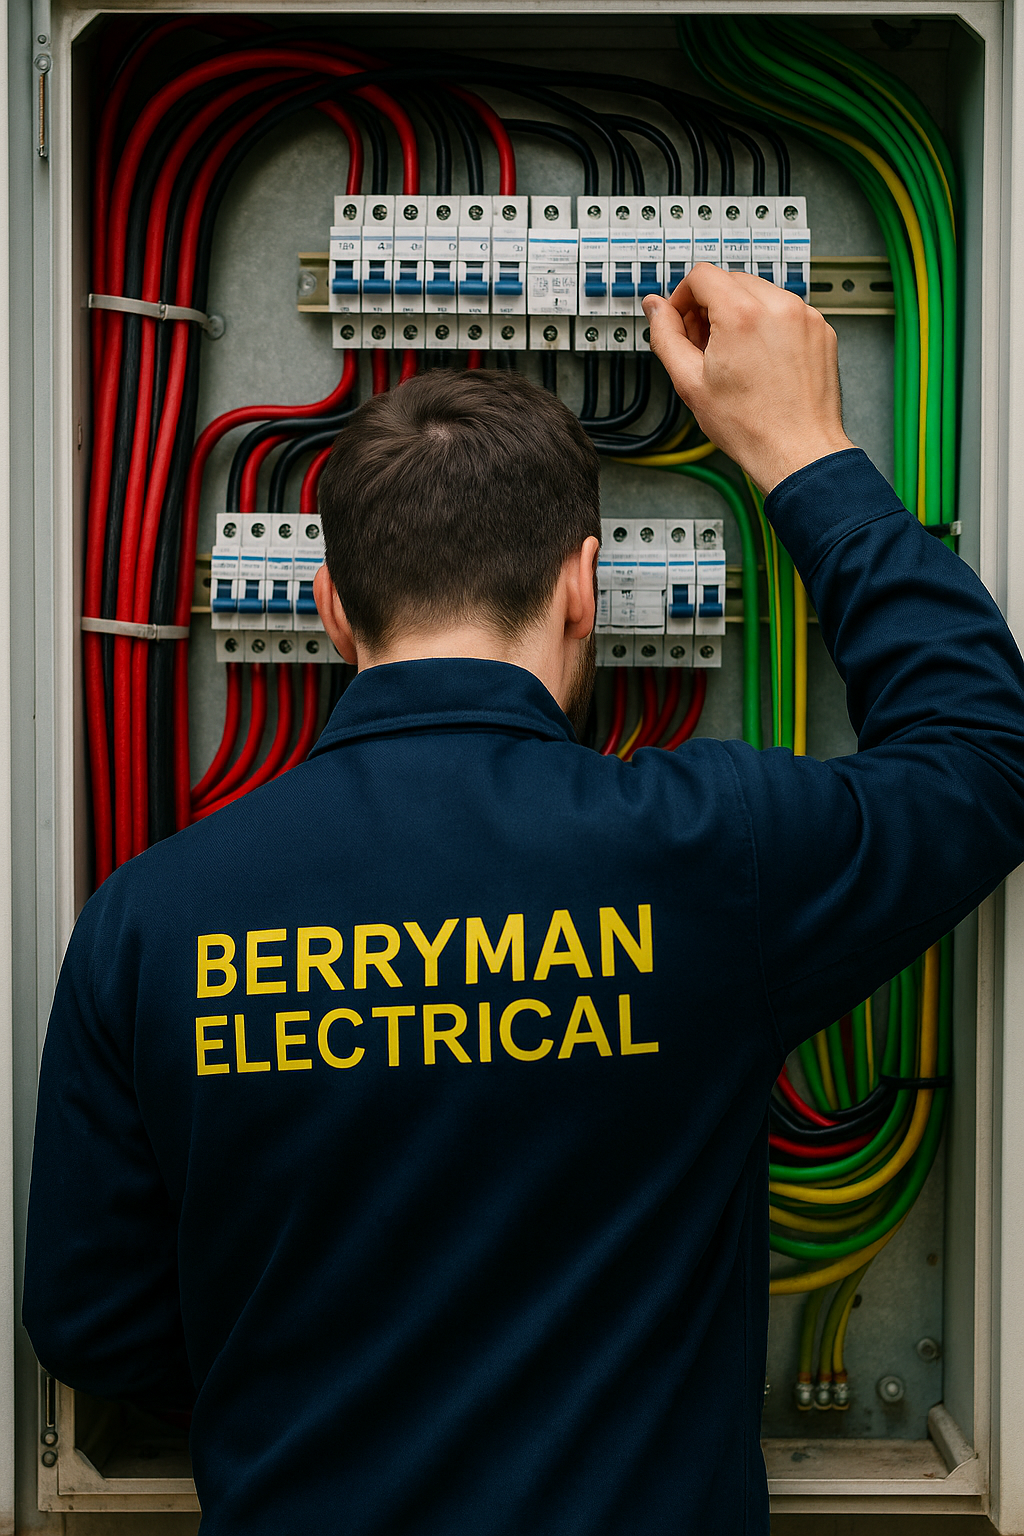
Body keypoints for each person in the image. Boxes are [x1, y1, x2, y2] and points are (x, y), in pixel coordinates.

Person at [23, 265, 1024, 1536]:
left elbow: (91, 1323)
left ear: (329, 609)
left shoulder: (147, 921)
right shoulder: (708, 854)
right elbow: (978, 758)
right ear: (580, 588)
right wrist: (803, 451)